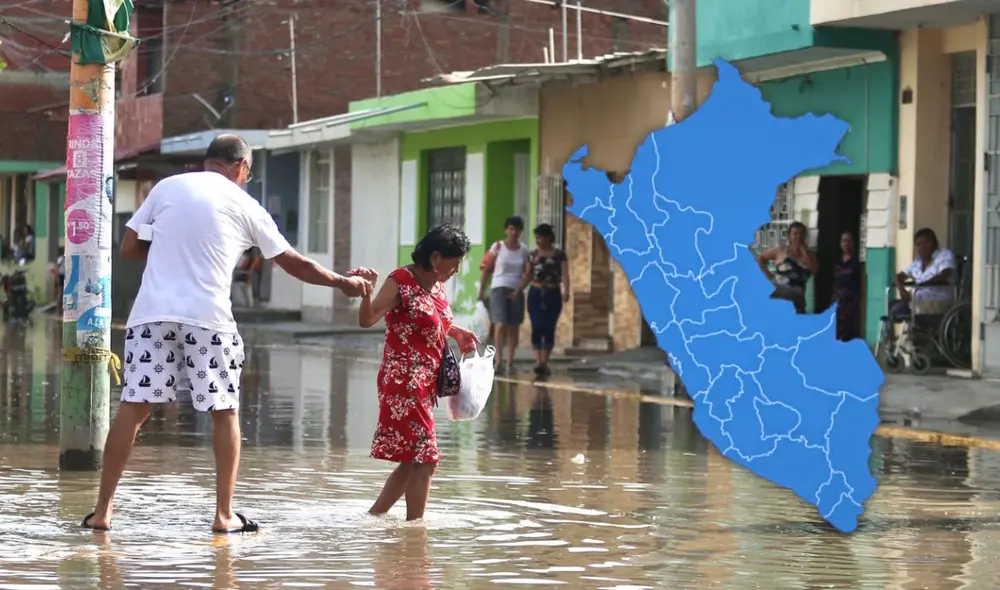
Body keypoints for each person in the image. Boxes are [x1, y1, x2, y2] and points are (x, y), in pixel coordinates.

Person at [81, 134, 373, 534]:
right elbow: (294, 263)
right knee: (225, 412)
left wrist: (173, 250)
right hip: (208, 320)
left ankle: (102, 512)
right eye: (248, 173)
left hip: (151, 316)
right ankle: (223, 515)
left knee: (133, 408)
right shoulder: (245, 204)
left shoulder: (167, 187)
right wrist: (342, 283)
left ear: (209, 161)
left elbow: (129, 245)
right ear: (240, 167)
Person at [358, 224, 478, 521]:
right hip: (403, 380)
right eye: (455, 263)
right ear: (436, 257)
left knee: (413, 460)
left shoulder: (437, 284)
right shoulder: (401, 280)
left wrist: (458, 332)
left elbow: (433, 321)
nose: (456, 270)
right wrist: (366, 293)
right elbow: (368, 318)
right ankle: (416, 532)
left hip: (427, 383)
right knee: (426, 460)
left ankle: (374, 517)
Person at [514, 223, 569, 377]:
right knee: (537, 326)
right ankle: (538, 362)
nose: (538, 240)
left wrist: (566, 290)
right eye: (536, 238)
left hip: (553, 292)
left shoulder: (559, 255)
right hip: (536, 293)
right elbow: (528, 275)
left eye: (540, 237)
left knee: (549, 327)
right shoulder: (533, 255)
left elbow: (565, 274)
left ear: (548, 238)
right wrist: (518, 290)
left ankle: (544, 363)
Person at [479, 216, 530, 373]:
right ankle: (499, 359)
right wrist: (481, 290)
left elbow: (528, 273)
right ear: (506, 230)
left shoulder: (524, 250)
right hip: (498, 288)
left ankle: (510, 361)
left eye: (517, 229)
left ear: (521, 231)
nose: (514, 232)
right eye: (511, 229)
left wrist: (519, 289)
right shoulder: (498, 247)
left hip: (516, 289)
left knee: (514, 326)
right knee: (500, 324)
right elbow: (487, 269)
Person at [891, 227, 956, 318]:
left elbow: (944, 275)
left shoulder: (944, 255)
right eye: (918, 244)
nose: (923, 247)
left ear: (935, 243)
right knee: (894, 308)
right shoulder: (917, 262)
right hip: (918, 300)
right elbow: (899, 276)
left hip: (940, 300)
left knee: (915, 297)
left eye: (927, 243)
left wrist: (922, 285)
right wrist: (901, 289)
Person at [756, 221, 817, 314]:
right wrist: (770, 276)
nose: (798, 237)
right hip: (779, 295)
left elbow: (814, 270)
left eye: (801, 234)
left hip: (797, 299)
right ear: (789, 236)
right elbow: (760, 258)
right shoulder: (781, 250)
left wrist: (804, 251)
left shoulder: (810, 255)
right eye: (795, 234)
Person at [833, 231, 863, 342]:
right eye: (843, 241)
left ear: (853, 243)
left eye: (849, 241)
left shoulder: (857, 262)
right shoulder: (837, 262)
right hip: (839, 302)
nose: (846, 244)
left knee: (850, 333)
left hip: (852, 304)